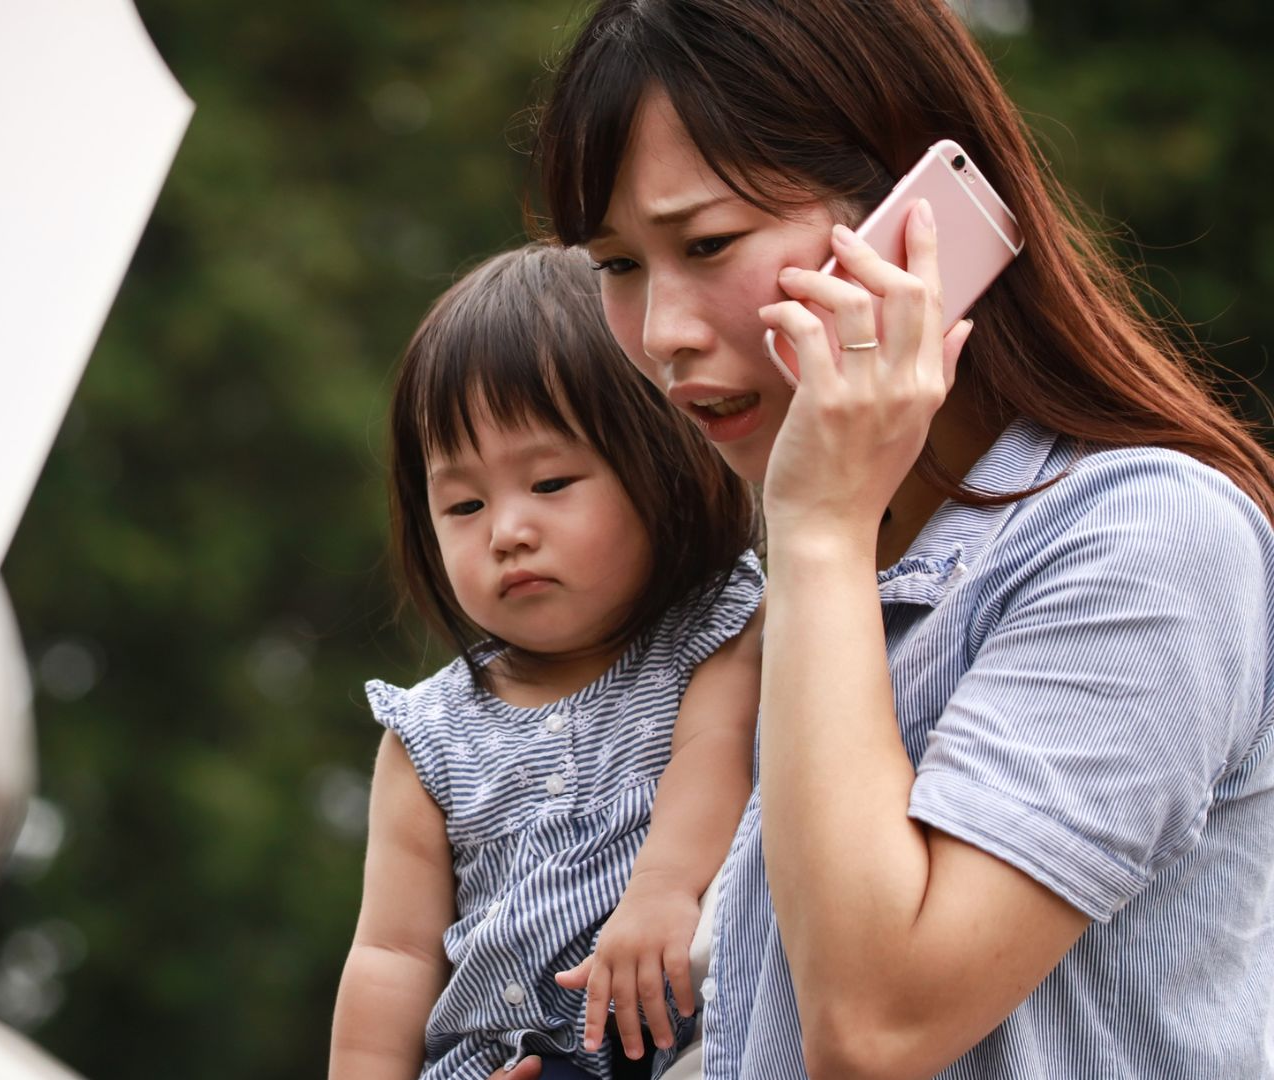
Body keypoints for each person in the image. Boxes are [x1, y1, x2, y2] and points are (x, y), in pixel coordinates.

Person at [495, 1, 1274, 1078]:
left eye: (708, 243)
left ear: (917, 223)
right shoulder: (846, 581)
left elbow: (879, 1027)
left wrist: (818, 527)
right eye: (618, 266)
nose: (663, 333)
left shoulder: (1147, 538)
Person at [329, 241, 768, 1080]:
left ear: (662, 460)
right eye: (463, 503)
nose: (507, 532)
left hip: (655, 1042)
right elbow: (390, 955)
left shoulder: (716, 633)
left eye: (552, 483)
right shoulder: (428, 736)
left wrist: (662, 893)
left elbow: (713, 762)